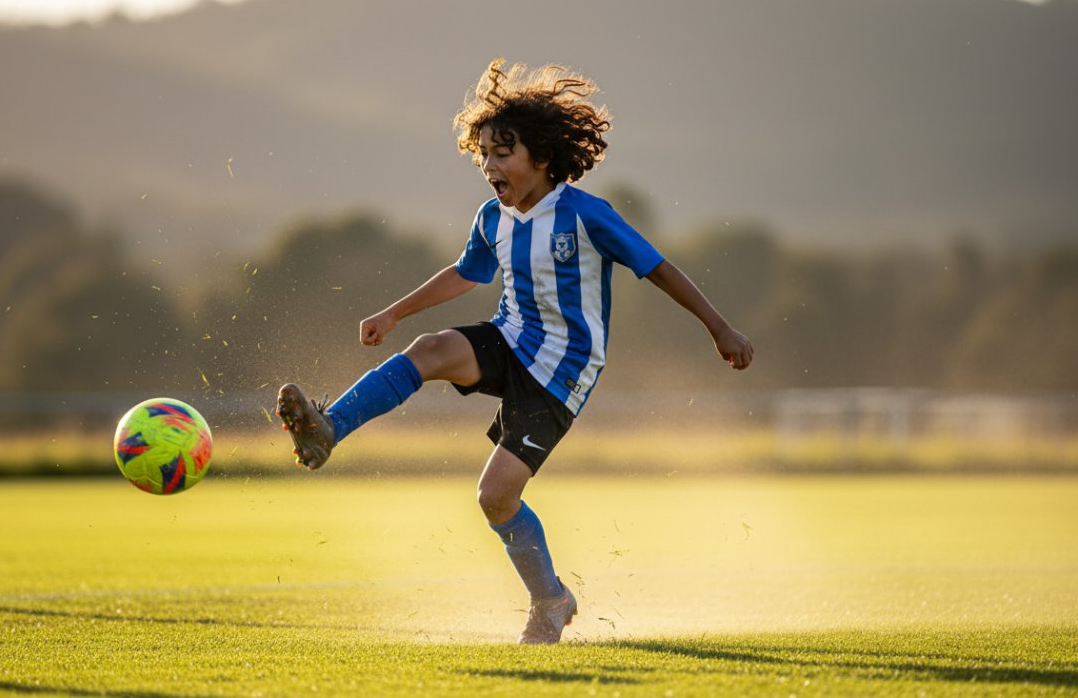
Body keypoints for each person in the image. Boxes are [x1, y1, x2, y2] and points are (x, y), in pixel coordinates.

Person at [275, 58, 754, 644]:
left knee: (495, 496)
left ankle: (549, 599)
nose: (489, 165)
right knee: (430, 349)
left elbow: (658, 268)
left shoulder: (584, 214)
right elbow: (466, 273)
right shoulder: (491, 217)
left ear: (542, 158)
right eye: (483, 154)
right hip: (509, 338)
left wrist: (719, 327)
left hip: (563, 370)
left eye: (503, 153)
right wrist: (395, 313)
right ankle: (329, 428)